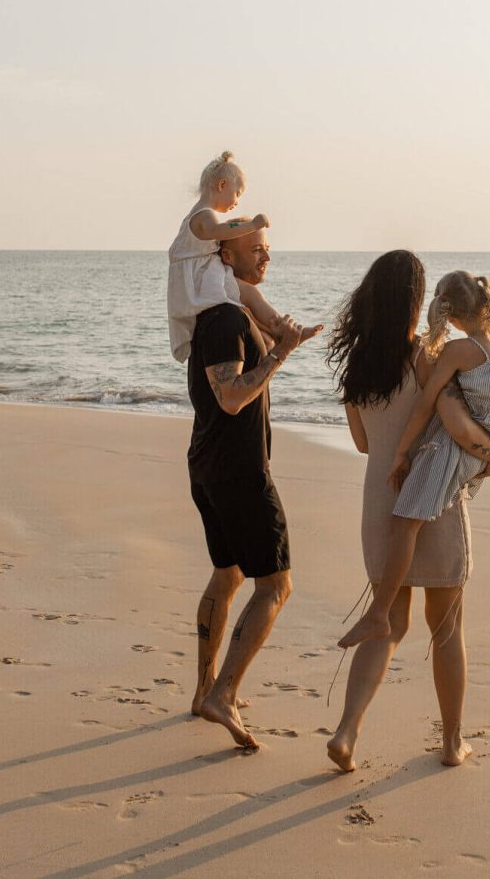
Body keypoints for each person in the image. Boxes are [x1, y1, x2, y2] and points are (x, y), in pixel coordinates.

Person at [324, 251, 490, 771]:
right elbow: (456, 424)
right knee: (446, 626)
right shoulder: (429, 358)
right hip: (436, 501)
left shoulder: (357, 366)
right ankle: (452, 743)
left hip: (382, 503)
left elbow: (363, 443)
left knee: (387, 622)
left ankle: (346, 731)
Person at [338, 270, 490, 651]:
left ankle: (378, 613)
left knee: (404, 522)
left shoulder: (460, 351)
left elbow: (427, 404)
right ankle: (380, 612)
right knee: (411, 522)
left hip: (452, 451)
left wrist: (400, 452)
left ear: (450, 314)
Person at [187, 222, 312, 751]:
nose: (266, 258)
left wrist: (280, 343)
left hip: (210, 466)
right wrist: (280, 353)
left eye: (268, 248)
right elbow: (232, 397)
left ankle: (204, 692)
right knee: (275, 586)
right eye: (257, 250)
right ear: (226, 252)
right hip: (239, 473)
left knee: (229, 573)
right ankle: (224, 693)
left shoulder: (226, 313)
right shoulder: (223, 320)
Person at [167, 150, 317, 364]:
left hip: (199, 279)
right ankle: (284, 328)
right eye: (237, 193)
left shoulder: (199, 215)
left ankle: (277, 332)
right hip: (201, 282)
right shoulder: (204, 216)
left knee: (247, 305)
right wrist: (252, 225)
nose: (236, 202)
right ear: (221, 185)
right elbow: (222, 230)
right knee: (250, 294)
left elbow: (223, 228)